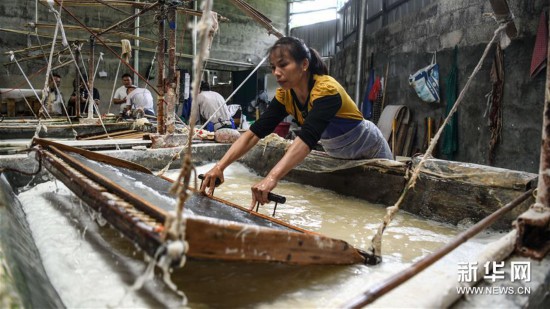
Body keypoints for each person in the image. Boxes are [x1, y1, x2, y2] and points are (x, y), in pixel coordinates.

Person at [200, 36, 392, 208]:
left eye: (283, 65)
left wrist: (271, 178)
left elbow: (307, 138)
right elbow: (254, 133)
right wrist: (219, 167)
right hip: (339, 153)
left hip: (369, 147)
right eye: (273, 67)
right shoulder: (286, 95)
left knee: (386, 198)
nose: (276, 72)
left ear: (304, 64)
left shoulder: (326, 89)